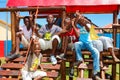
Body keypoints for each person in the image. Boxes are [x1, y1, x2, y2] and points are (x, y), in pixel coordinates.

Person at [69, 11, 101, 80]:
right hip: (82, 43)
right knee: (76, 44)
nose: (81, 19)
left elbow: (88, 30)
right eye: (81, 19)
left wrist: (84, 23)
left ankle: (95, 72)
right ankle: (79, 59)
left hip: (89, 43)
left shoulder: (87, 25)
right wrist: (77, 17)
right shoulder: (79, 26)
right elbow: (75, 23)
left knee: (96, 52)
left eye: (82, 18)